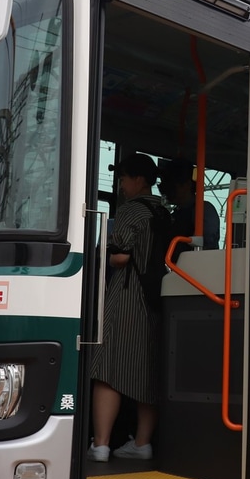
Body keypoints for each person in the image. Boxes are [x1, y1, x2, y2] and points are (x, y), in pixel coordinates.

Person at [90, 153, 165, 462]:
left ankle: (102, 445)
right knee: (148, 370)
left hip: (127, 295)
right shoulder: (163, 211)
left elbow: (119, 256)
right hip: (157, 297)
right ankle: (143, 443)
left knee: (108, 368)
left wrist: (105, 253)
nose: (120, 185)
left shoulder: (131, 210)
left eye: (123, 179)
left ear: (139, 180)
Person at [159, 158, 219, 250]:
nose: (165, 191)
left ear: (187, 184)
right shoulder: (175, 214)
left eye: (171, 186)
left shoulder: (204, 210)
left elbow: (206, 245)